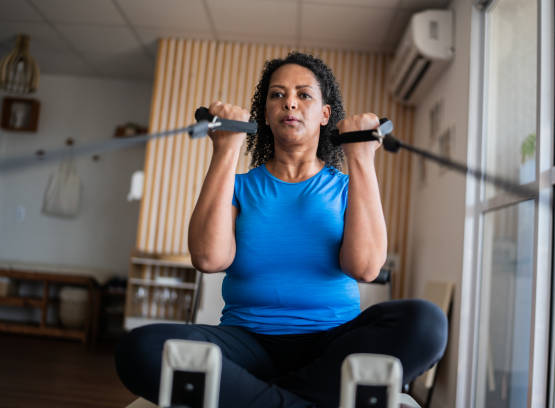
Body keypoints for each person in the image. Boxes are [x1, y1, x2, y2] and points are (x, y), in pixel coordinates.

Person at [115, 52, 447, 408]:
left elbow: (364, 268)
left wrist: (362, 158)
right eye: (277, 94)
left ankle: (258, 396)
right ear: (266, 115)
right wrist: (226, 149)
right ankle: (304, 399)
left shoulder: (347, 187)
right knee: (141, 347)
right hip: (247, 343)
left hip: (333, 346)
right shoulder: (238, 187)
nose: (289, 101)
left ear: (324, 115)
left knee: (426, 323)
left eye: (304, 94)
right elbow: (209, 259)